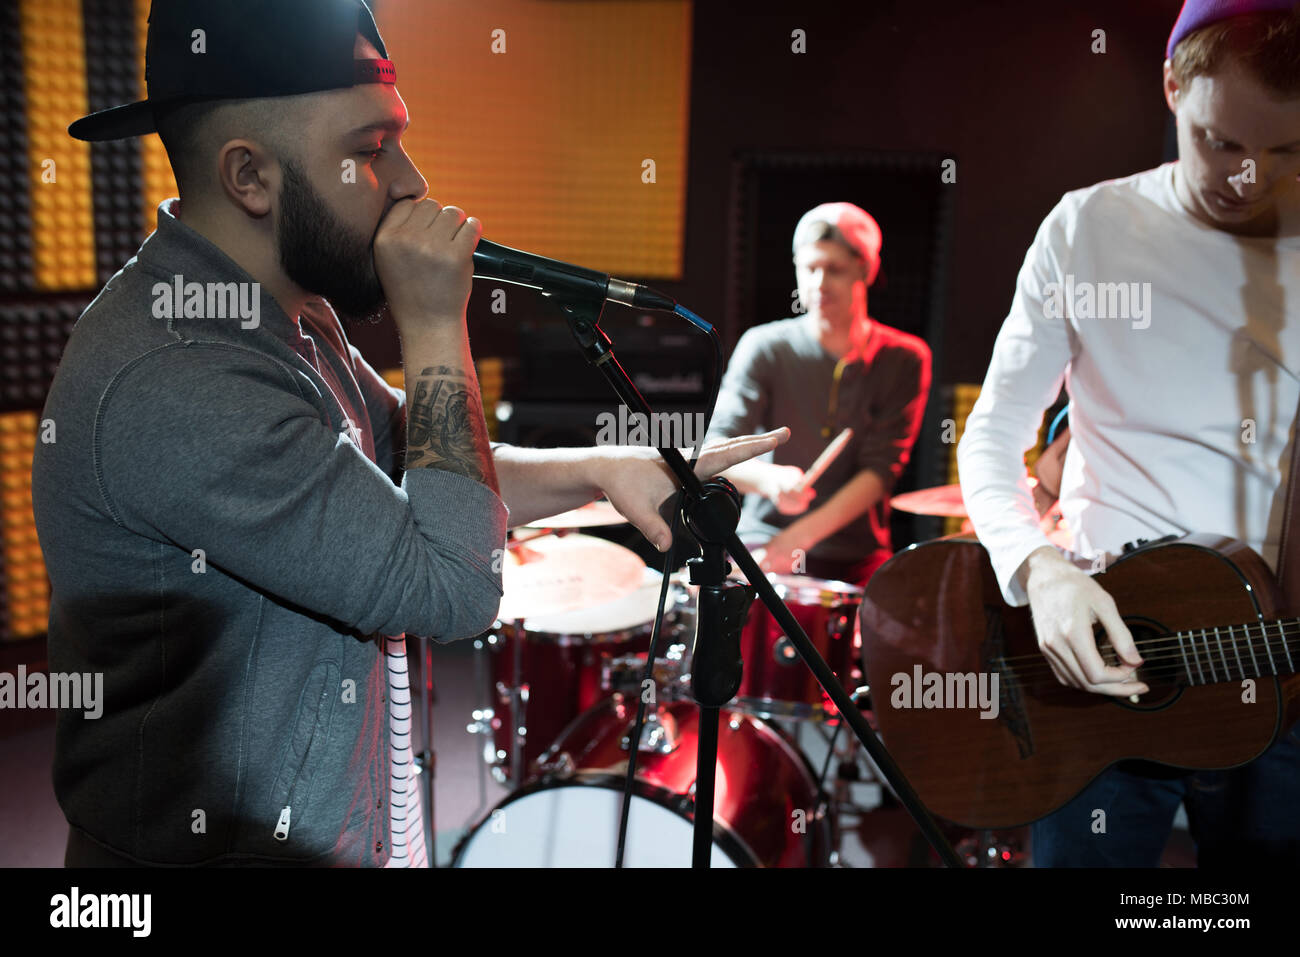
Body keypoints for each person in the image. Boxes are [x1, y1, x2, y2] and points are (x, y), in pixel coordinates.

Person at [36, 0, 786, 867]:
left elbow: (422, 466)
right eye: (369, 149)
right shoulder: (177, 376)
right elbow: (451, 585)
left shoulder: (287, 312)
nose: (412, 180)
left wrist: (605, 468)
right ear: (249, 176)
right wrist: (434, 325)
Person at [957, 0, 1300, 867]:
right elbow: (993, 433)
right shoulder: (1087, 228)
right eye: (1222, 142)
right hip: (1109, 660)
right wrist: (1038, 572)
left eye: (1289, 151)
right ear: (1171, 86)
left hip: (1282, 667)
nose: (1249, 178)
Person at [707, 202, 931, 586]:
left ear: (866, 270)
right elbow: (717, 451)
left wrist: (798, 540)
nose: (819, 283)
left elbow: (881, 471)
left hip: (855, 554)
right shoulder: (764, 346)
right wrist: (769, 480)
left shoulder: (904, 358)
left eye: (835, 270)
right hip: (765, 537)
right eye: (809, 268)